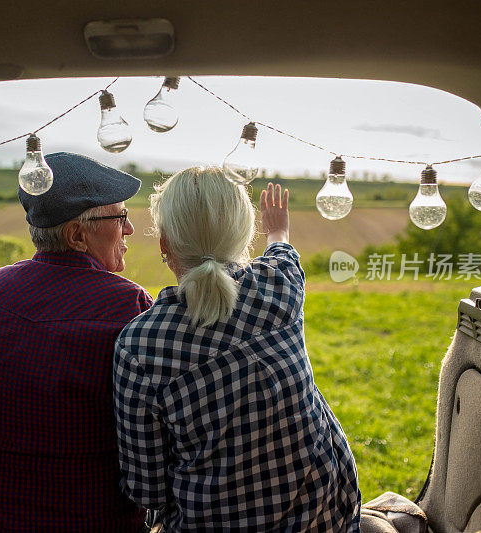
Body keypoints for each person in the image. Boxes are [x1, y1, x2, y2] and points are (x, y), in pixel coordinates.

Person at [114, 167, 361, 532]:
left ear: (165, 243)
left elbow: (147, 489)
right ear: (245, 234)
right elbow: (281, 248)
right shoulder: (281, 282)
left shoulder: (140, 345)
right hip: (329, 517)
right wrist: (277, 226)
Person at [0, 152, 154, 532]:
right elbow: (151, 430)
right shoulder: (131, 305)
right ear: (77, 235)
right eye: (120, 217)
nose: (128, 230)